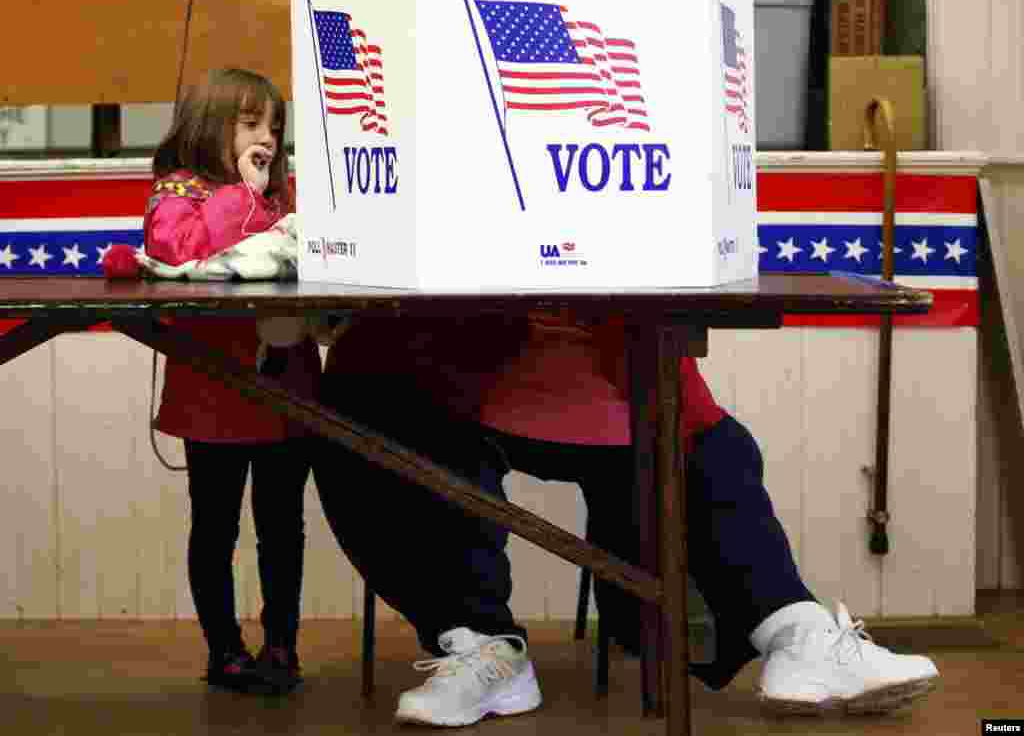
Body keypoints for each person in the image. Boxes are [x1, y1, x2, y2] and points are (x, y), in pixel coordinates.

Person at [313, 310, 939, 726]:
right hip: (455, 375)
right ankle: (482, 646)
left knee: (716, 448)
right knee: (361, 411)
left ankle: (796, 635)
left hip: (609, 379)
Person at [137, 68, 321, 694]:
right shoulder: (176, 191)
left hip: (286, 387)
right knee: (215, 525)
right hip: (211, 392)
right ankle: (224, 650)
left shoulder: (283, 196)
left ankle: (281, 644)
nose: (265, 136)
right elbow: (180, 249)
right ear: (210, 125)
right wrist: (241, 193)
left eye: (273, 124)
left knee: (282, 523)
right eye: (249, 123)